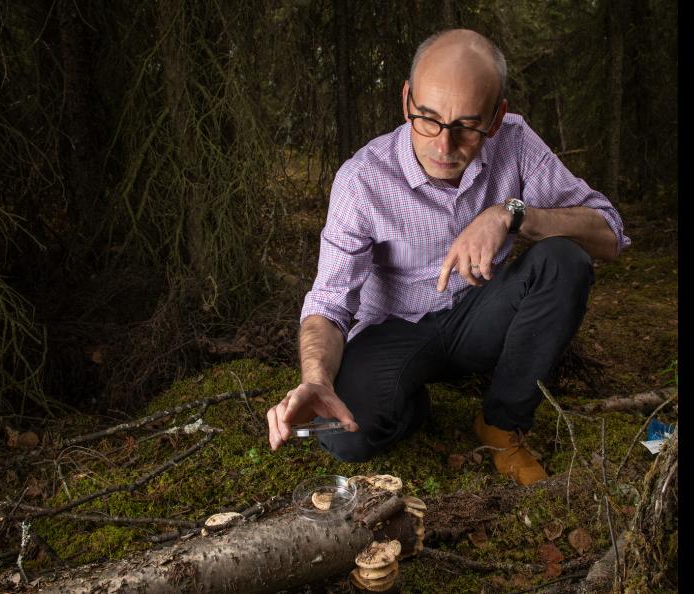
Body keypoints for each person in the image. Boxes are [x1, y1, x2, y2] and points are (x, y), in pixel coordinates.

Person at [266, 28, 630, 485]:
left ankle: (502, 423)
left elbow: (609, 234)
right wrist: (316, 378)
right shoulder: (362, 180)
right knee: (345, 437)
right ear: (406, 101)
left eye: (467, 126)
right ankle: (409, 403)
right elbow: (330, 302)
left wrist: (512, 214)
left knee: (563, 260)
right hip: (394, 332)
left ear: (496, 118)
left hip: (481, 318)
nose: (443, 145)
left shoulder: (514, 142)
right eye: (428, 119)